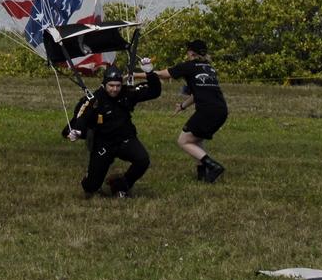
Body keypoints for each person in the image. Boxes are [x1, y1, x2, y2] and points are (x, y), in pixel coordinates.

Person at [66, 64, 162, 198]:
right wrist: (77, 131)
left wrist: (150, 73)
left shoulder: (128, 93)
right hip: (103, 143)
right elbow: (82, 115)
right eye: (111, 86)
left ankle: (121, 185)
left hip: (125, 139)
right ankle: (90, 178)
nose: (115, 89)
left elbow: (155, 92)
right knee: (91, 187)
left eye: (118, 86)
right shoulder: (95, 99)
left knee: (142, 160)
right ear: (104, 84)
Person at [154, 39, 228, 182]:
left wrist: (139, 74)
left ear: (191, 52)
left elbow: (163, 74)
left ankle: (214, 167)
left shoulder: (189, 66)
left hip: (207, 111)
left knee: (184, 141)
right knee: (196, 139)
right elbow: (197, 94)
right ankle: (202, 175)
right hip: (221, 110)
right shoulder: (208, 67)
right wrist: (182, 106)